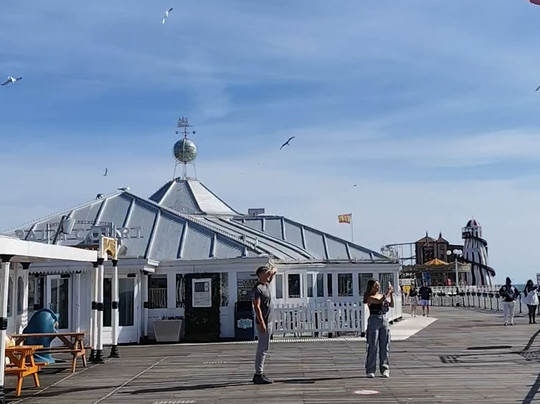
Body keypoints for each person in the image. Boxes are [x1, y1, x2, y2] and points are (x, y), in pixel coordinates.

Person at [251, 264, 277, 384]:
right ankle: (258, 374)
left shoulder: (266, 284)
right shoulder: (257, 289)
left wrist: (270, 269)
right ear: (260, 275)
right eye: (266, 273)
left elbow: (274, 270)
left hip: (269, 321)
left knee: (265, 347)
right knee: (262, 348)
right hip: (264, 322)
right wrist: (262, 322)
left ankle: (260, 372)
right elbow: (256, 307)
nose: (269, 275)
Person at [363, 279, 394, 378]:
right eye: (376, 285)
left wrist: (391, 294)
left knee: (385, 346)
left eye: (378, 285)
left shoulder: (382, 295)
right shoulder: (369, 297)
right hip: (374, 319)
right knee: (372, 345)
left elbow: (391, 305)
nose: (378, 287)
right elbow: (379, 301)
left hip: (384, 319)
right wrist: (388, 292)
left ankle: (385, 368)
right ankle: (370, 369)